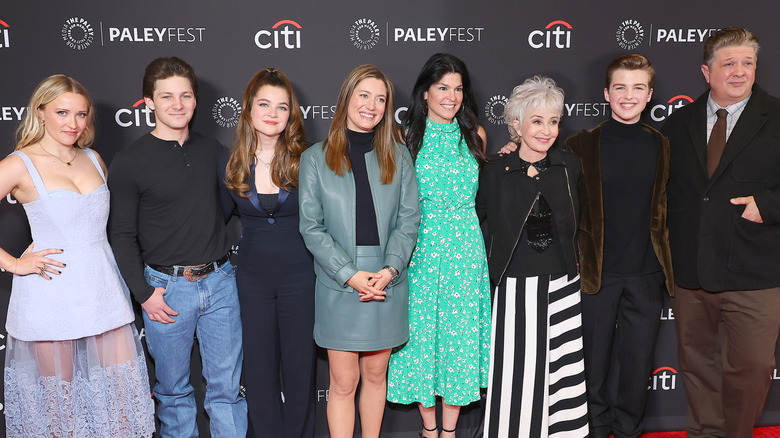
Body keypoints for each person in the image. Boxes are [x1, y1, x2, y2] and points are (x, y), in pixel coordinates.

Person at [0, 74, 154, 437]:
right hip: (50, 295)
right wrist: (14, 263)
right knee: (60, 414)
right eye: (62, 112)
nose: (73, 123)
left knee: (120, 409)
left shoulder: (93, 158)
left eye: (81, 115)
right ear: (41, 112)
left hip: (102, 293)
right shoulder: (19, 164)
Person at [108, 57, 247, 437]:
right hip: (165, 291)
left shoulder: (213, 150)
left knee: (227, 391)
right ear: (148, 102)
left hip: (219, 283)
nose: (177, 104)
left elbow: (222, 210)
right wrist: (145, 294)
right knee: (172, 393)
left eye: (185, 95)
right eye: (166, 96)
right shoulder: (129, 162)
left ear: (195, 99)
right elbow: (121, 235)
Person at [661, 26, 780, 438]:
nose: (739, 71)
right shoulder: (677, 124)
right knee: (697, 366)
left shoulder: (777, 117)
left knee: (752, 367)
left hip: (756, 272)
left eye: (748, 63)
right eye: (729, 63)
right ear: (706, 71)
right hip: (692, 273)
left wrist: (767, 206)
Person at [298, 64, 420, 438]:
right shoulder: (315, 158)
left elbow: (408, 220)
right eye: (364, 95)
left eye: (381, 99)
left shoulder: (398, 156)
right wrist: (349, 274)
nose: (372, 105)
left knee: (375, 375)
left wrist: (391, 269)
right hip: (339, 283)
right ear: (346, 98)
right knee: (344, 382)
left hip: (387, 279)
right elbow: (311, 227)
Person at [564, 54, 674, 438]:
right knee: (591, 365)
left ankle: (627, 430)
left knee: (636, 366)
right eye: (621, 88)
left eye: (638, 88)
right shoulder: (579, 145)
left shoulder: (662, 145)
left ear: (649, 95)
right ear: (606, 94)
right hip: (595, 275)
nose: (629, 96)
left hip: (647, 275)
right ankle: (594, 429)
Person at [476, 76, 588, 438]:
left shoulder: (570, 166)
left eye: (553, 121)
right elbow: (480, 225)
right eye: (537, 121)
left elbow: (581, 221)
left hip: (563, 285)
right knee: (517, 376)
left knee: (563, 374)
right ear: (516, 125)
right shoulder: (494, 171)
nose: (546, 130)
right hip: (514, 287)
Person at [387, 53, 491, 438]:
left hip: (466, 251)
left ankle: (449, 433)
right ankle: (429, 430)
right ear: (426, 92)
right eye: (443, 88)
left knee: (459, 343)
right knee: (422, 342)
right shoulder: (406, 137)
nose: (451, 96)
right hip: (421, 251)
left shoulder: (475, 135)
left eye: (458, 89)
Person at [218, 68, 315, 438]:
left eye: (282, 106)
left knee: (300, 368)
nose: (272, 114)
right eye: (264, 104)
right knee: (258, 371)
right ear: (248, 109)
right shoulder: (230, 163)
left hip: (301, 277)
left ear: (291, 114)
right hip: (252, 280)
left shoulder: (309, 160)